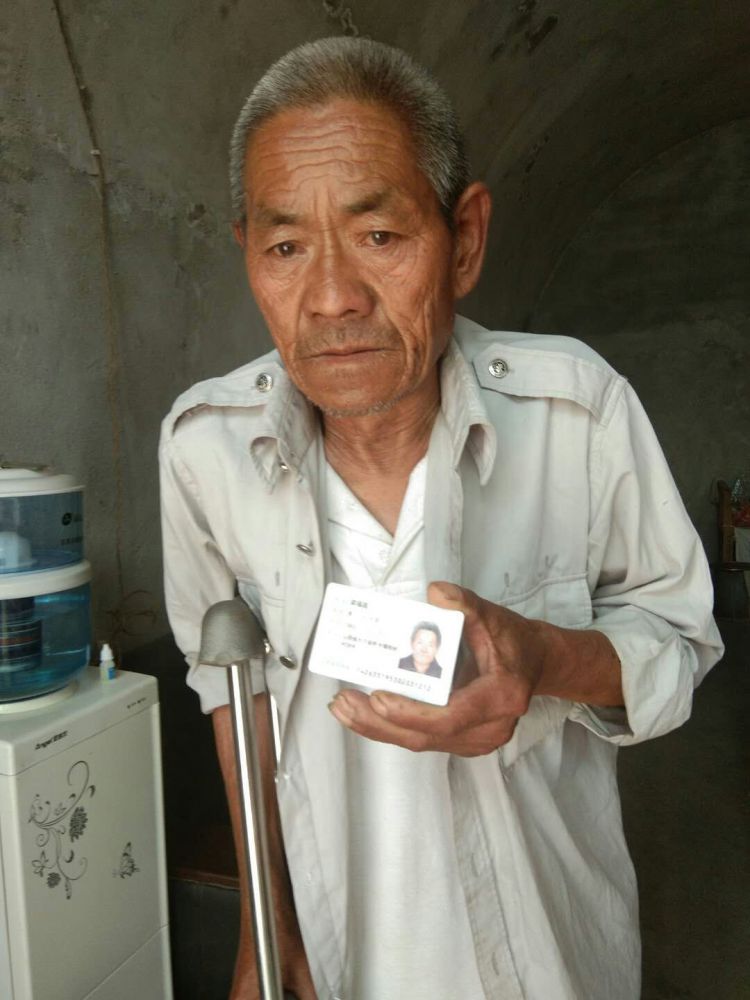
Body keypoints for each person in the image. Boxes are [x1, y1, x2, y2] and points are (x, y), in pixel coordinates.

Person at [159, 37, 723, 1000]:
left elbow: (679, 638)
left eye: (379, 236)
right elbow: (232, 691)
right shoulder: (205, 450)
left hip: (546, 963)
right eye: (286, 247)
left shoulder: (576, 415)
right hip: (335, 961)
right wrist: (265, 926)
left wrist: (542, 657)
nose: (331, 298)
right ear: (249, 252)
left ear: (463, 239)